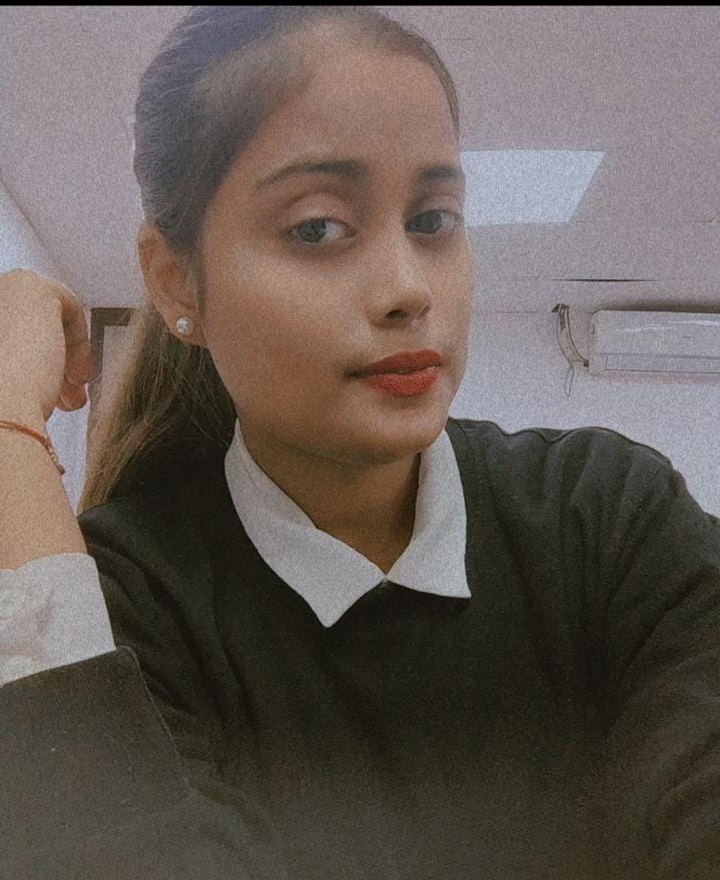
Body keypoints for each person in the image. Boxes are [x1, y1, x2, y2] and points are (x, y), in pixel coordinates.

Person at [1, 6, 719, 879]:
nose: (408, 290)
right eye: (318, 228)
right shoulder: (124, 597)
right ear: (177, 280)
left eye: (434, 219)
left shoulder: (606, 517)